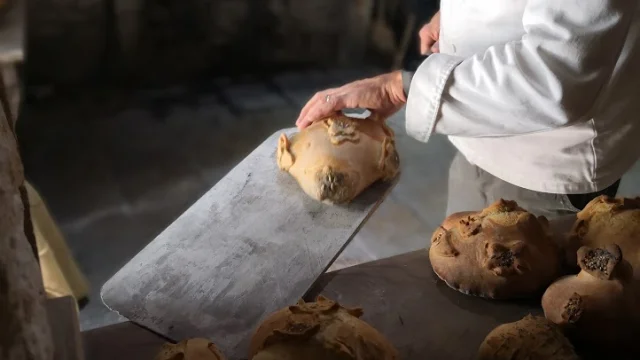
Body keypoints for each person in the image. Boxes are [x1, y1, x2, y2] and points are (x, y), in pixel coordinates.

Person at [296, 1, 640, 218]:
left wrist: (398, 88)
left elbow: (556, 74)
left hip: (545, 169)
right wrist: (461, 14)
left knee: (514, 328)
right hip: (483, 141)